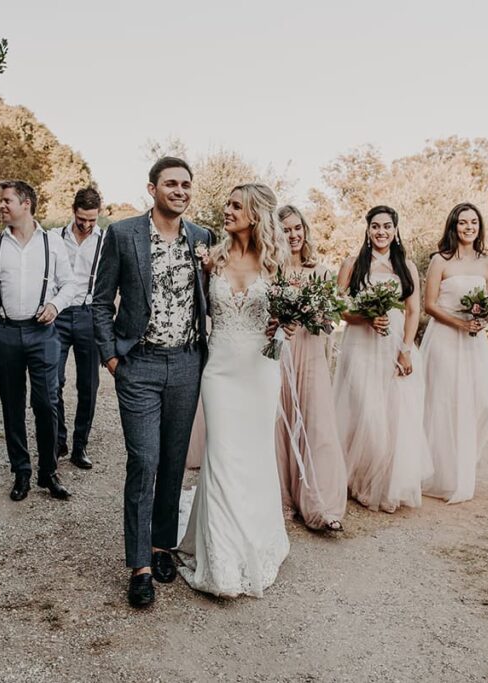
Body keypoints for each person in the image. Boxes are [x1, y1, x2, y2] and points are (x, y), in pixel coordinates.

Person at [91, 157, 212, 608]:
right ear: (152, 188)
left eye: (185, 185)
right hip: (137, 365)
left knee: (174, 462)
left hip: (186, 364)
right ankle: (139, 564)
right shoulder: (122, 234)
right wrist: (110, 355)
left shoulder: (202, 238)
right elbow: (100, 300)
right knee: (144, 460)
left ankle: (163, 545)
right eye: (171, 184)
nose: (179, 191)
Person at [176, 183, 291, 598]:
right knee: (222, 454)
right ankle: (220, 558)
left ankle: (256, 541)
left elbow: (287, 316)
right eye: (227, 204)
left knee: (254, 456)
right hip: (220, 370)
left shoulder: (276, 263)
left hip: (260, 371)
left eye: (236, 206)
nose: (227, 210)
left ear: (255, 214)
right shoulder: (212, 256)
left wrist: (289, 324)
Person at [0, 180, 79, 502]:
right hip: (3, 332)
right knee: (12, 405)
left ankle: (49, 471)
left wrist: (55, 305)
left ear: (26, 203)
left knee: (47, 402)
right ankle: (22, 472)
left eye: (7, 201)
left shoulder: (52, 243)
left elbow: (70, 285)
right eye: (1, 201)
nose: (2, 206)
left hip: (42, 332)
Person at [334, 205, 432, 513]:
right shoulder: (353, 264)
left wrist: (405, 349)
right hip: (360, 346)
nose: (381, 232)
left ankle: (382, 483)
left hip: (393, 348)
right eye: (375, 226)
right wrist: (364, 317)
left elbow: (414, 311)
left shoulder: (407, 266)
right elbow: (338, 307)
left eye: (387, 226)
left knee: (392, 418)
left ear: (395, 229)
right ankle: (360, 480)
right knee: (365, 414)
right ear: (367, 229)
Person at [273, 204, 348, 531]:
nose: (293, 235)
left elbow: (332, 318)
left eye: (297, 228)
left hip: (312, 351)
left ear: (305, 230)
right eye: (286, 229)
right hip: (280, 352)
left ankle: (320, 503)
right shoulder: (271, 271)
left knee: (316, 423)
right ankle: (280, 498)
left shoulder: (321, 271)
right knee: (279, 421)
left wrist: (318, 315)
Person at [419, 202, 488, 504]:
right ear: (453, 226)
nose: (469, 227)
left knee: (486, 404)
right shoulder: (441, 260)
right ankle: (440, 474)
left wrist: (482, 321)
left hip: (475, 342)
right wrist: (459, 324)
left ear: (479, 227)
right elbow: (429, 306)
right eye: (463, 222)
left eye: (474, 222)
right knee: (444, 405)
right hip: (445, 338)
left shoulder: (486, 262)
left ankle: (464, 463)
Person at [54, 187, 105, 470]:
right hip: (58, 315)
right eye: (82, 219)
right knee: (53, 381)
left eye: (92, 220)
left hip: (89, 315)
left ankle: (80, 445)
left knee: (88, 385)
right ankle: (58, 439)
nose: (86, 225)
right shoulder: (54, 238)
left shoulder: (105, 240)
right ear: (73, 211)